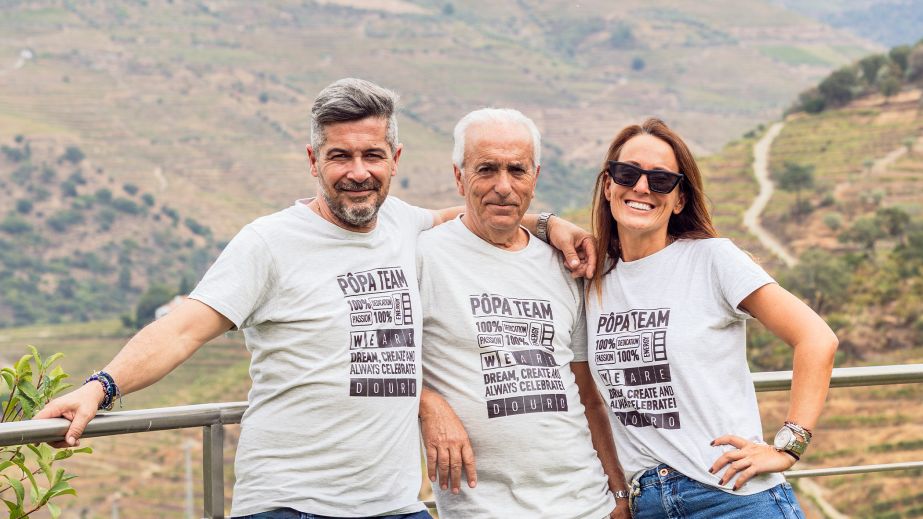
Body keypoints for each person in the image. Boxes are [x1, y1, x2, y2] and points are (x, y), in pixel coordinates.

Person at [35, 79, 596, 519]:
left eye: (372, 156)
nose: (358, 173)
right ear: (313, 160)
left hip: (394, 506)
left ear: (395, 160)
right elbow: (183, 329)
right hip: (291, 504)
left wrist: (549, 223)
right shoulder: (269, 242)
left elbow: (483, 208)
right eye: (340, 157)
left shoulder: (403, 223)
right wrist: (98, 388)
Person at [584, 118, 838, 518]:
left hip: (732, 498)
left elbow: (816, 337)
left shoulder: (712, 259)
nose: (642, 187)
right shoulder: (590, 279)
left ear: (680, 198)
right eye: (627, 173)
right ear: (608, 184)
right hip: (646, 504)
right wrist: (549, 224)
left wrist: (789, 447)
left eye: (661, 179)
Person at [417, 108, 630, 518]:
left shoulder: (564, 264)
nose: (503, 186)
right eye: (486, 169)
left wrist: (618, 494)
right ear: (459, 177)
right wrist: (426, 402)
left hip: (588, 504)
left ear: (536, 177)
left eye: (517, 170)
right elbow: (368, 352)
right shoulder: (422, 256)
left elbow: (587, 396)